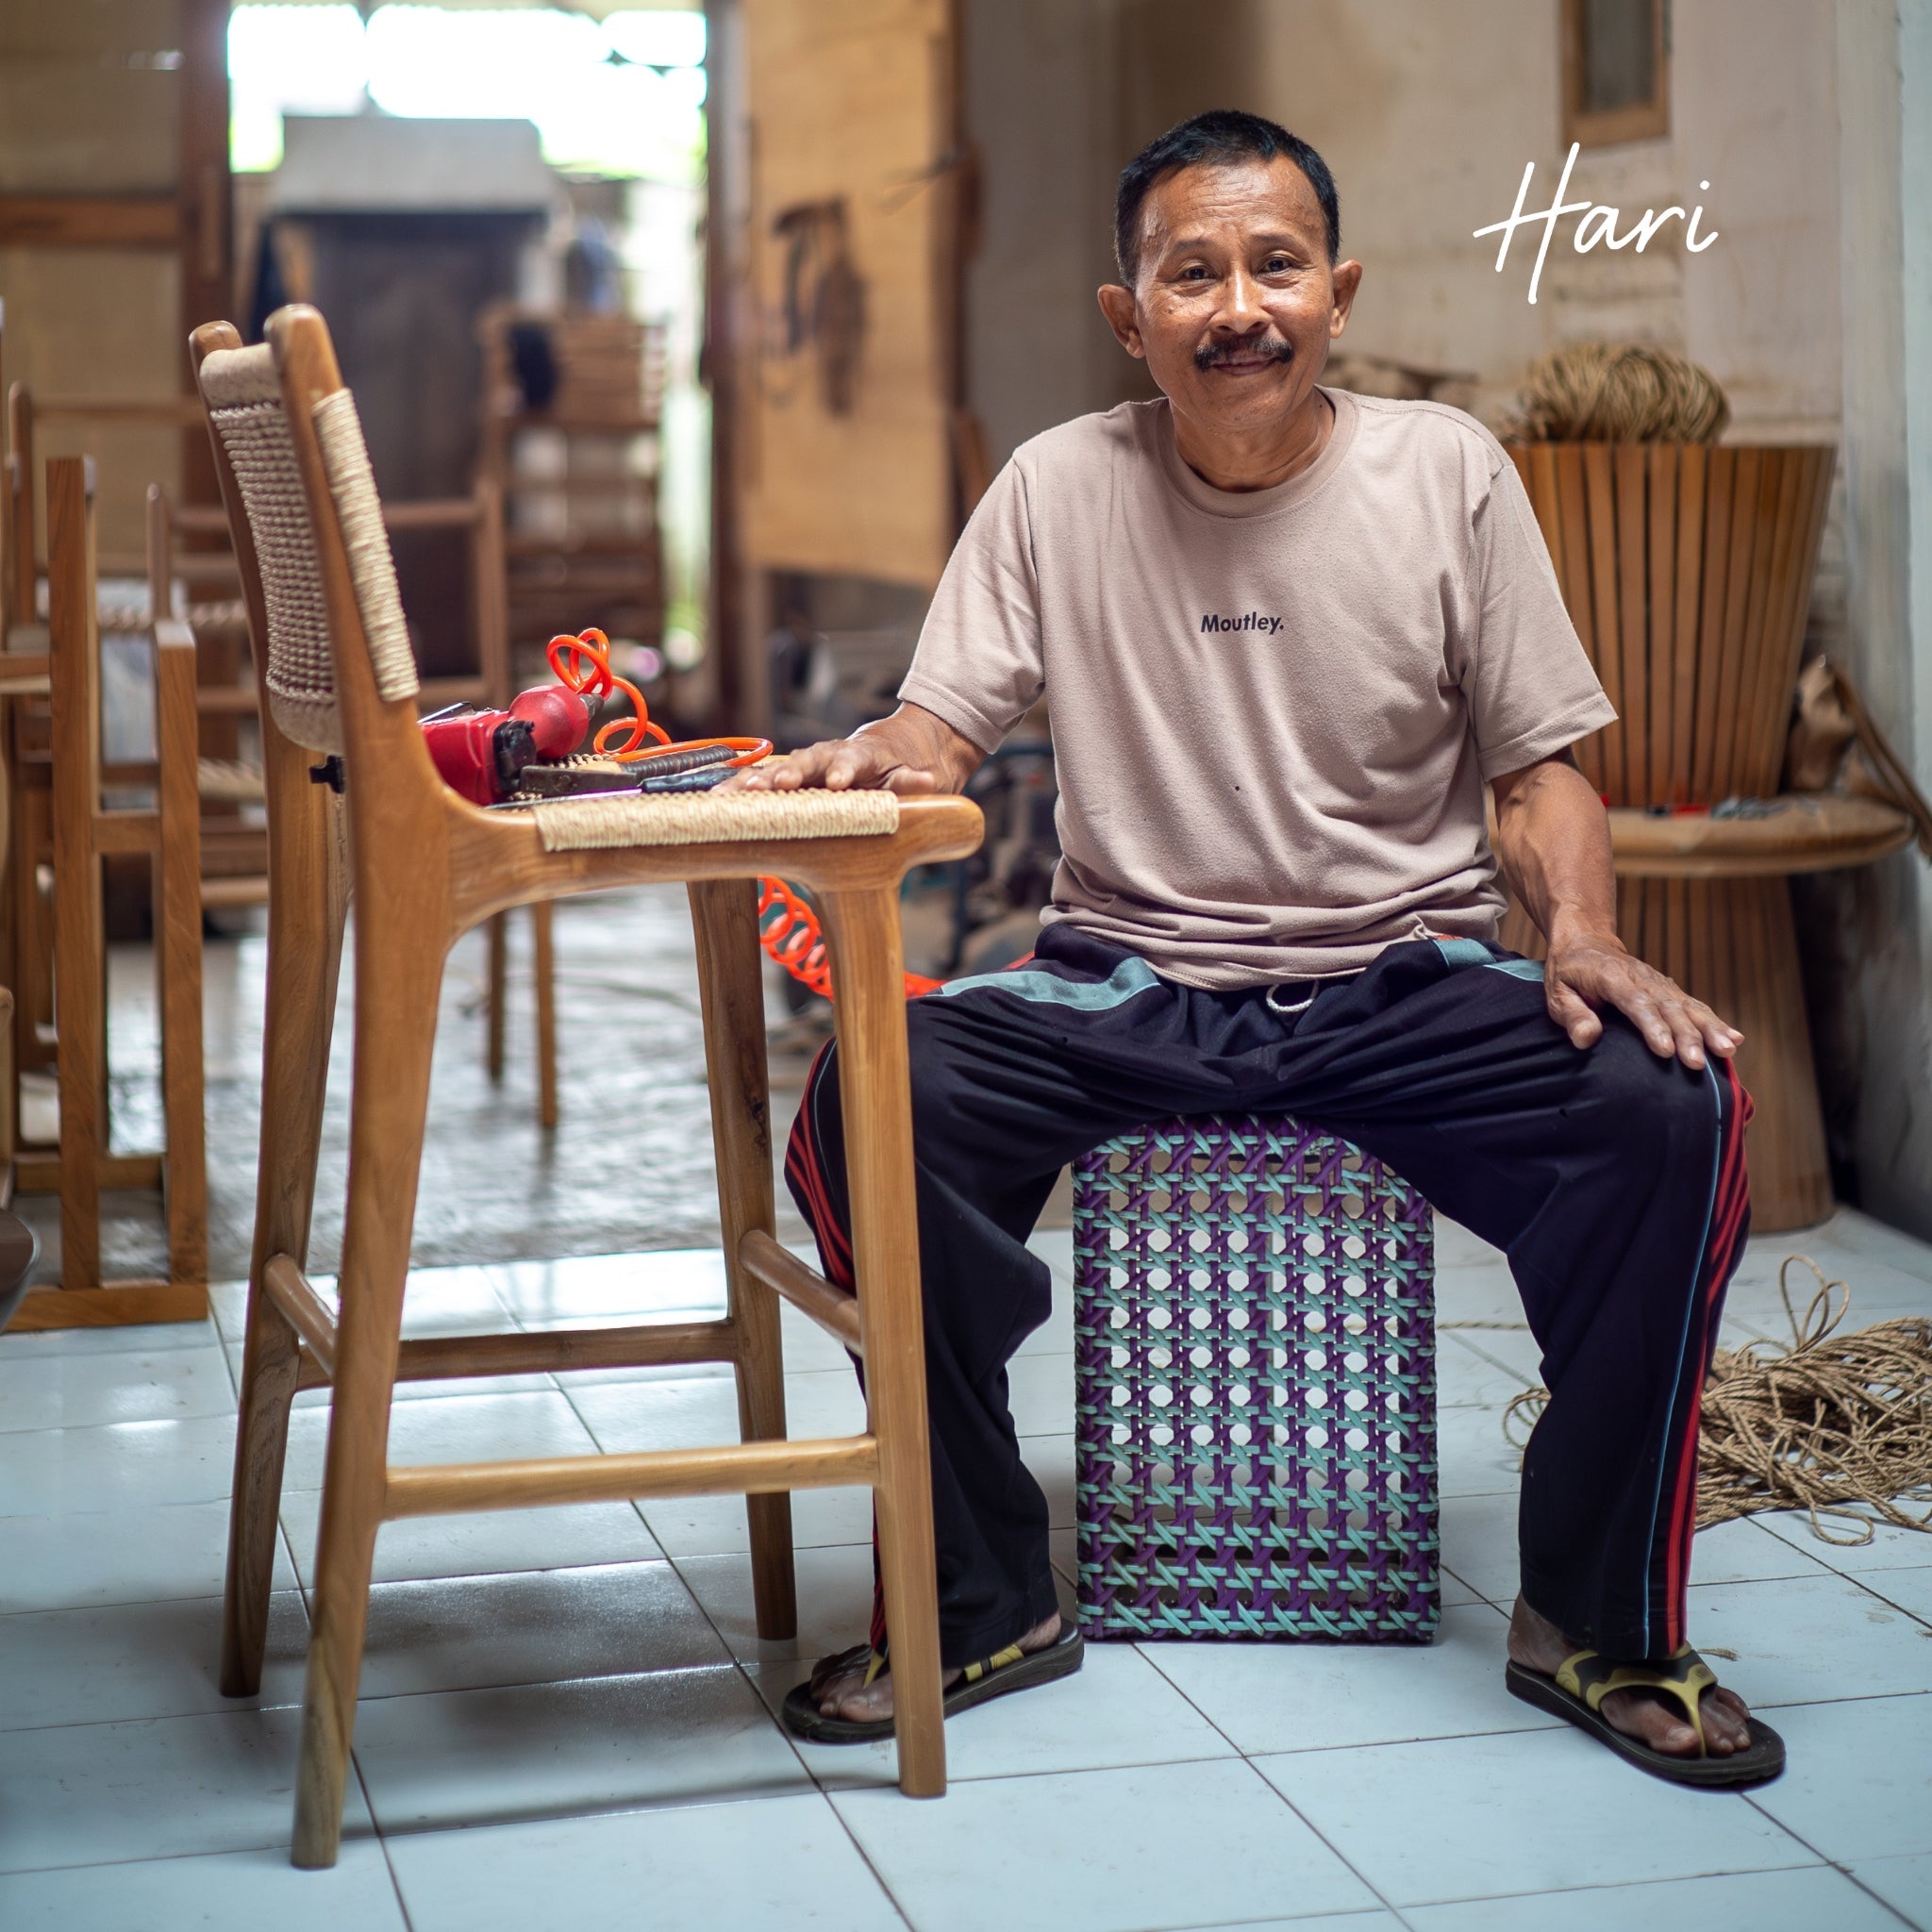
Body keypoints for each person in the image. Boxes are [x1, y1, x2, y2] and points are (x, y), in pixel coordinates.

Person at [734, 109, 1782, 1786]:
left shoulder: (1446, 474)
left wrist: (1578, 932)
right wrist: (883, 751)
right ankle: (984, 1589)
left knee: (1674, 1103)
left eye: (1276, 266)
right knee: (874, 1098)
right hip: (1124, 982)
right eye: (1193, 271)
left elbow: (1538, 773)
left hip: (1401, 981)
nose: (1240, 306)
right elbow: (940, 727)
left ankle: (1597, 1619)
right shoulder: (1056, 487)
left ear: (1338, 291)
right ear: (1126, 313)